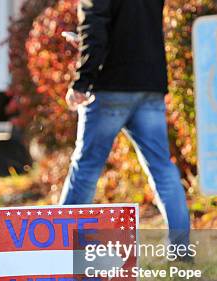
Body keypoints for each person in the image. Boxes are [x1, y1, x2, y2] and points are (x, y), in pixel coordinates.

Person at [61, 0, 190, 249]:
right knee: (162, 168)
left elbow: (95, 31)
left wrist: (81, 83)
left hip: (110, 87)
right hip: (149, 84)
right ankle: (181, 247)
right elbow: (135, 30)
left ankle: (63, 247)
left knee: (85, 169)